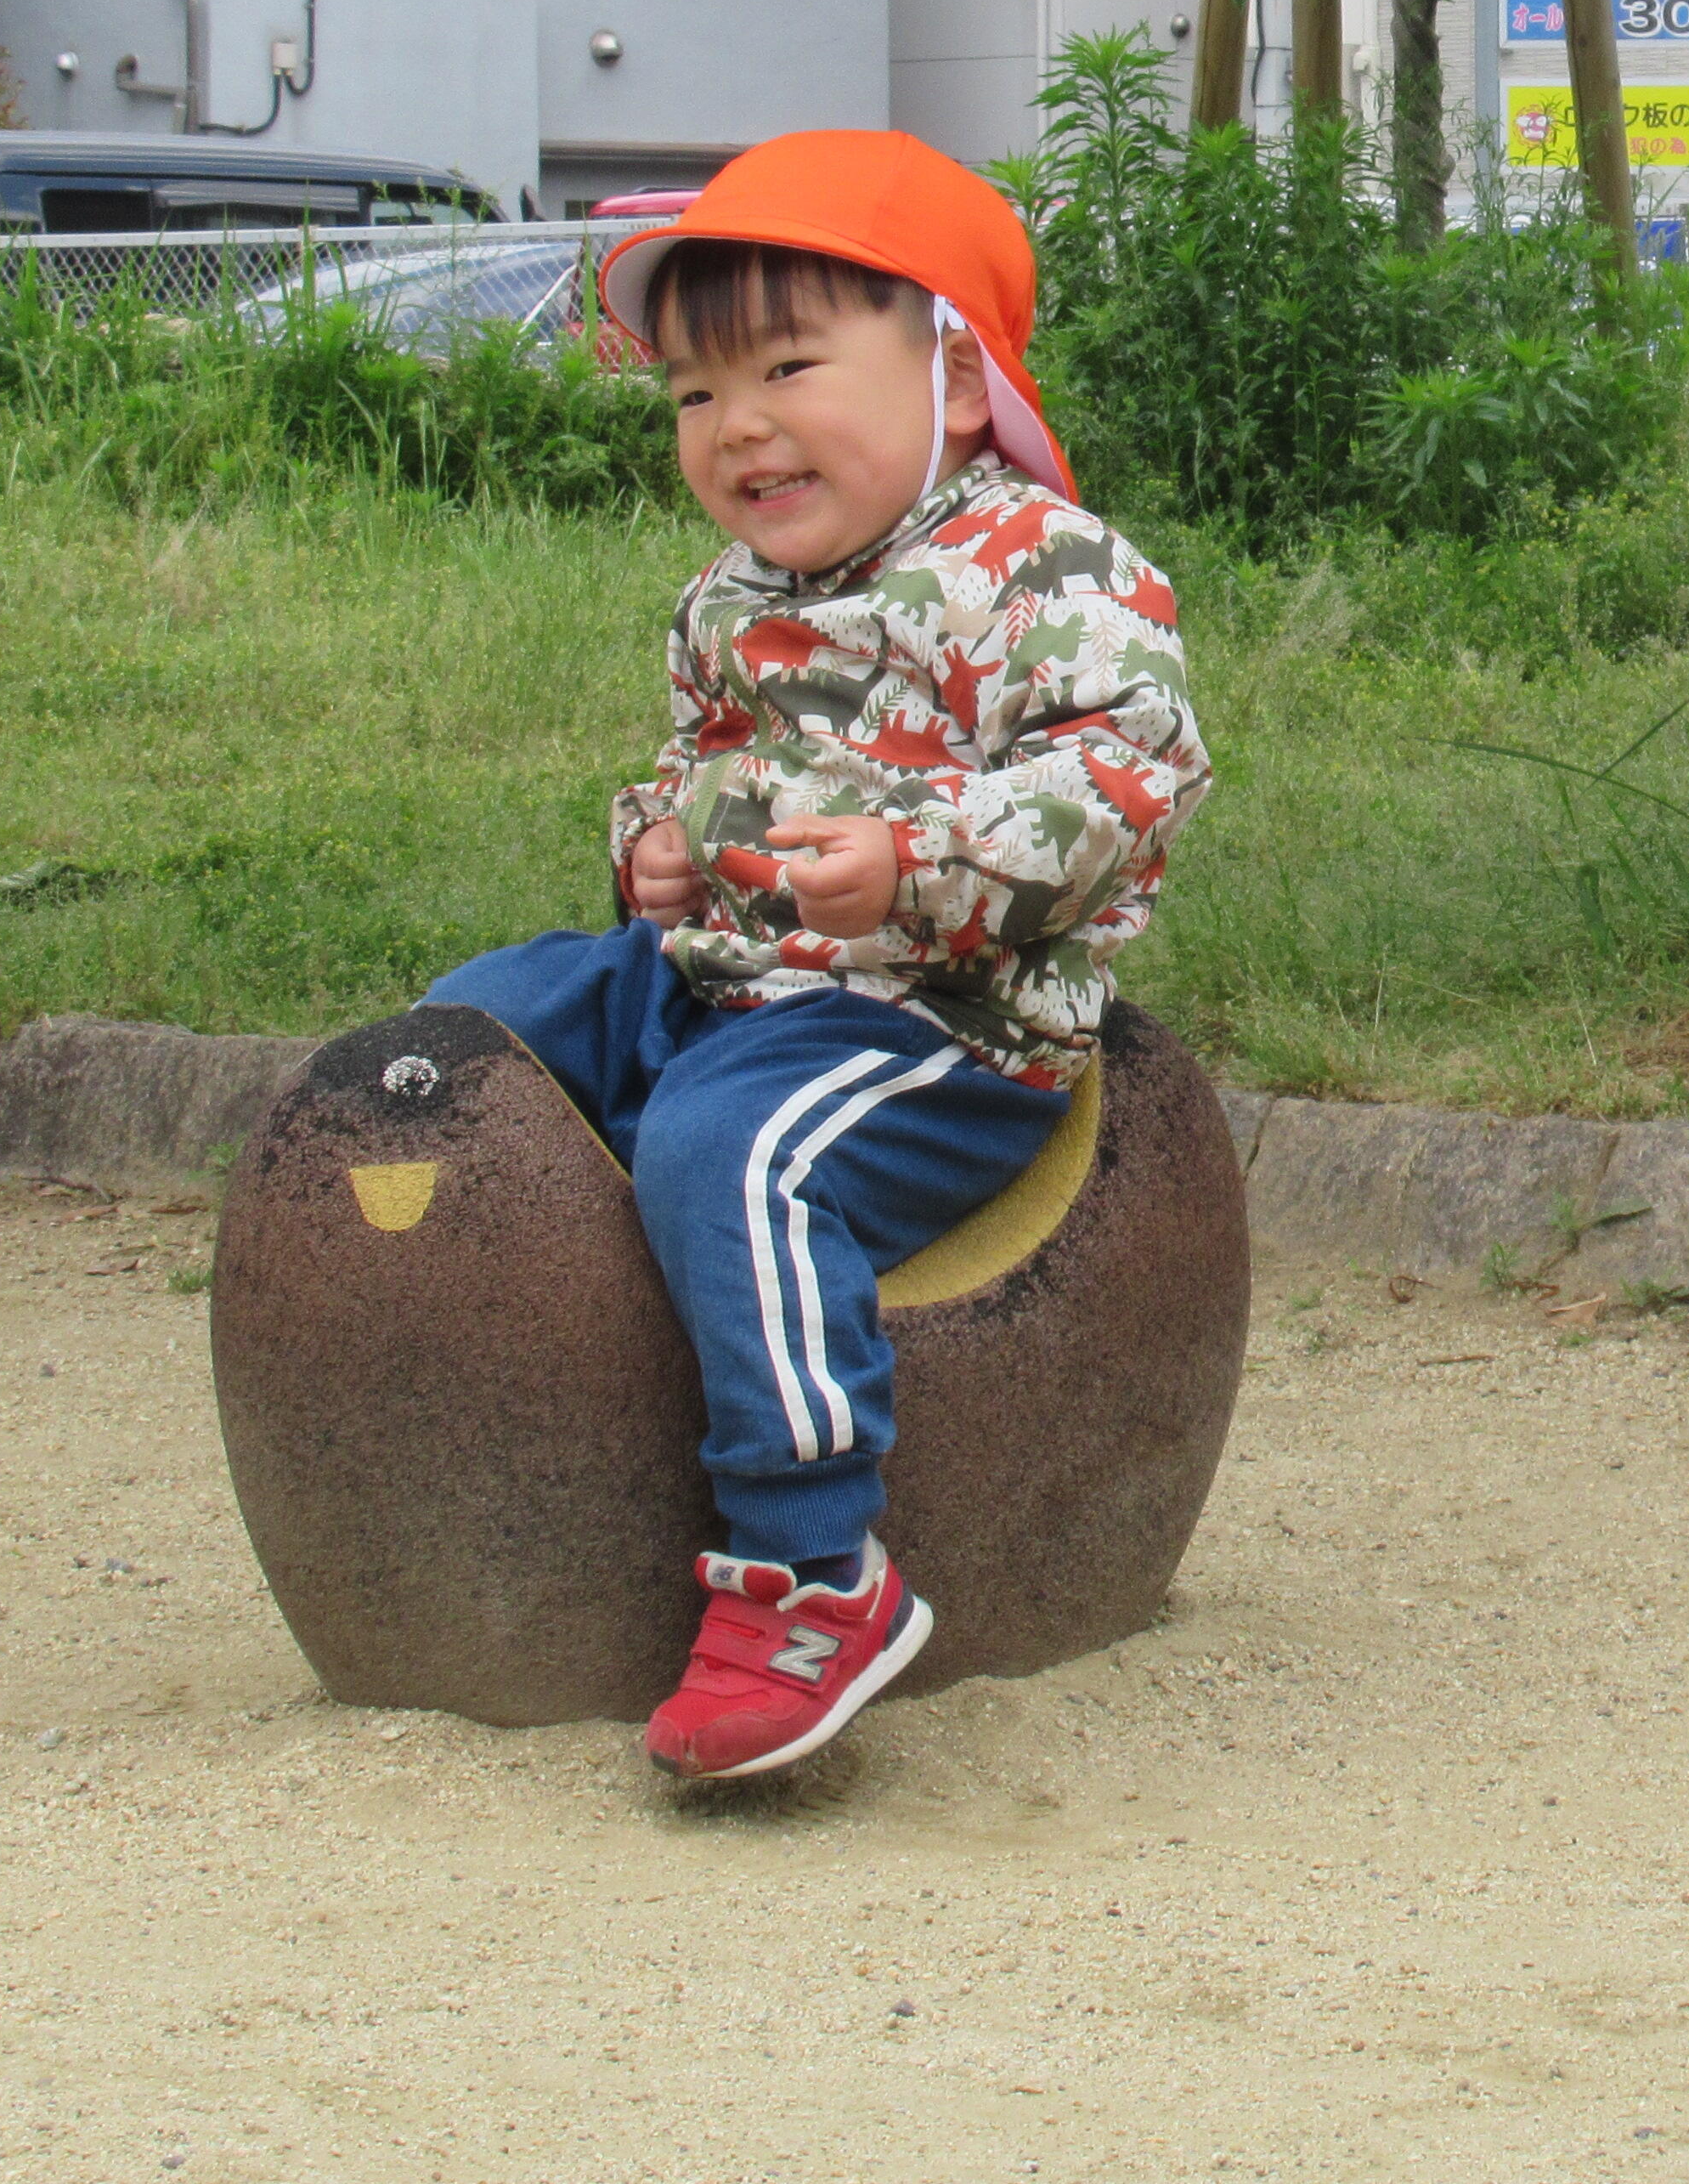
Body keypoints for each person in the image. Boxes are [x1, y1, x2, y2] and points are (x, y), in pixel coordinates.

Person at [422, 131, 1209, 1781]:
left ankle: (809, 1566)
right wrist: (647, 843)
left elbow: (1126, 778)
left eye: (789, 367)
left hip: (935, 1010)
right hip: (723, 970)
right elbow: (693, 760)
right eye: (698, 394)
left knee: (738, 1150)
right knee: (472, 1032)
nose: (741, 424)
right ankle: (488, 1412)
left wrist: (920, 864)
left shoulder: (1047, 576)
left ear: (962, 379)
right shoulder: (732, 597)